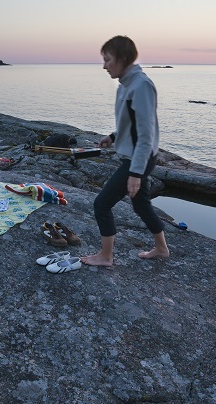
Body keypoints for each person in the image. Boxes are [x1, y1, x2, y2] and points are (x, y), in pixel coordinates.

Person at [81, 35, 170, 267]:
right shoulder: (126, 84)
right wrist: (112, 137)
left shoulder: (141, 86)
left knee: (101, 204)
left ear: (122, 58)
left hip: (137, 159)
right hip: (135, 158)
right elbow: (129, 123)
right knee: (141, 205)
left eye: (107, 59)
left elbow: (145, 133)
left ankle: (106, 257)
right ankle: (161, 249)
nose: (104, 66)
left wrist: (135, 173)